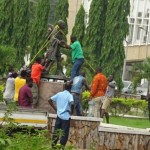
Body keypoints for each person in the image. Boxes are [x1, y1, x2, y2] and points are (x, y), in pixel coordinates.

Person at [48, 83, 74, 148]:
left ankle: (53, 147)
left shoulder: (59, 94)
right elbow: (72, 103)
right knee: (64, 134)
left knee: (56, 132)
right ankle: (61, 148)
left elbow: (49, 100)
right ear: (70, 88)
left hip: (59, 116)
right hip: (66, 118)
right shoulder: (69, 95)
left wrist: (56, 109)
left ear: (64, 87)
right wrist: (72, 112)